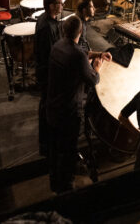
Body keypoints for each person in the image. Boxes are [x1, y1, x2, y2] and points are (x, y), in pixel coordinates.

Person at [46, 15, 104, 193]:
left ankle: (56, 183)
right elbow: (93, 80)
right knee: (69, 150)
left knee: (58, 149)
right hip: (69, 111)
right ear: (81, 32)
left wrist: (95, 54)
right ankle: (66, 189)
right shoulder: (78, 55)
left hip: (53, 107)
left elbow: (77, 55)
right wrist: (97, 67)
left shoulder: (57, 46)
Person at [35, 0, 63, 156]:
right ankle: (46, 145)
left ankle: (47, 142)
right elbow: (51, 55)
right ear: (50, 6)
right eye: (58, 3)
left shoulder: (46, 19)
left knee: (46, 106)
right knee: (47, 108)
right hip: (47, 74)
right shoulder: (47, 28)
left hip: (46, 72)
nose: (61, 6)